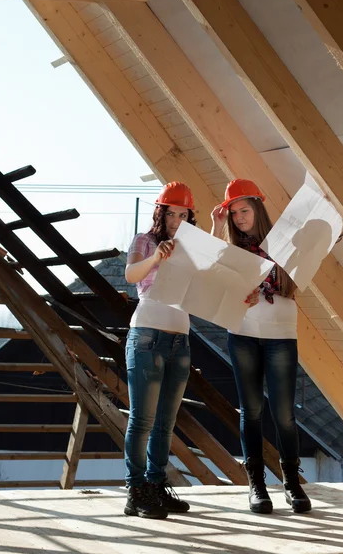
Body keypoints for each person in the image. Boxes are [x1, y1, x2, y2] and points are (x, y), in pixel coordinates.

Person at [211, 179, 312, 514]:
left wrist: (324, 242)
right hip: (242, 333)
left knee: (283, 413)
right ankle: (256, 485)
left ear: (257, 207)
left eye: (244, 210)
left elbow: (304, 269)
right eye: (234, 213)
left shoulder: (282, 243)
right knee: (251, 410)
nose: (239, 218)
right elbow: (208, 273)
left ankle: (292, 483)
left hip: (282, 333)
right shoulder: (231, 249)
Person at [124, 182, 196, 519]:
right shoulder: (145, 240)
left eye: (183, 214)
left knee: (166, 423)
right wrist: (157, 256)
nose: (177, 220)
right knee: (143, 420)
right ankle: (135, 492)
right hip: (147, 335)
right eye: (172, 213)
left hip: (181, 339)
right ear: (161, 213)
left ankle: (155, 486)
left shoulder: (192, 249)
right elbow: (130, 275)